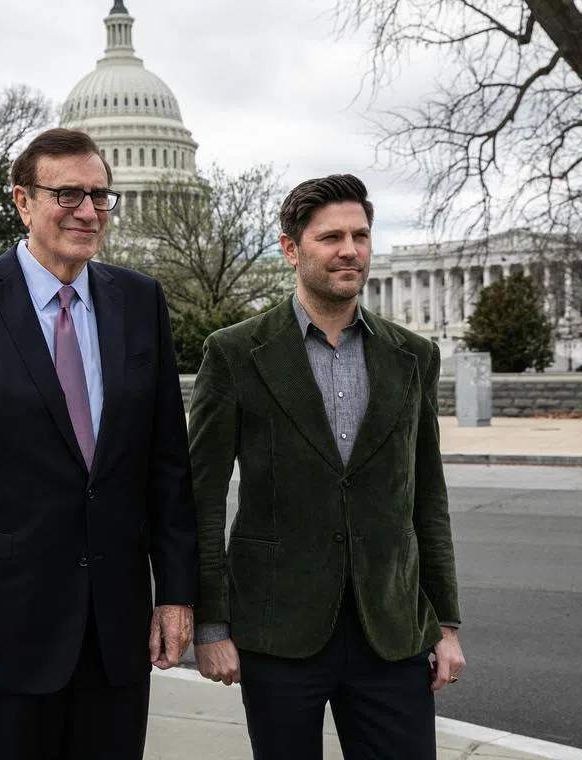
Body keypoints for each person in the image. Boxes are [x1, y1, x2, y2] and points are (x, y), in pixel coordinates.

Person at [0, 127, 198, 760]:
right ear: (22, 200)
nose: (87, 212)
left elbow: (167, 466)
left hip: (116, 635)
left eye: (99, 196)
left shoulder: (140, 301)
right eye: (67, 194)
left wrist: (175, 592)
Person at [189, 174, 466, 759]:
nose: (350, 250)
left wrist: (445, 624)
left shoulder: (414, 356)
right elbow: (202, 499)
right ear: (291, 249)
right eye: (331, 237)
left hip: (390, 632)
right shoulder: (236, 353)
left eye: (360, 235)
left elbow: (427, 497)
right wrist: (211, 627)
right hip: (277, 632)